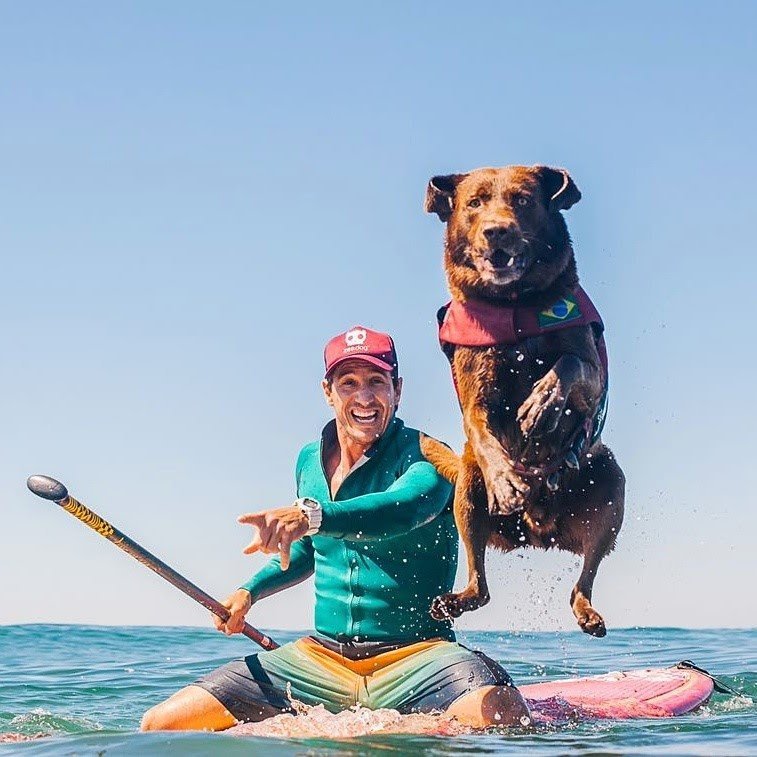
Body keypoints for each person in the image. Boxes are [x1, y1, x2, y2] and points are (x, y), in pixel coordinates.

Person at [141, 326, 529, 731]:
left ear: (397, 389)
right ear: (328, 392)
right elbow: (311, 551)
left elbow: (400, 511)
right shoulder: (308, 461)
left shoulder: (430, 458)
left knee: (504, 714)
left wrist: (310, 515)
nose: (364, 397)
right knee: (161, 724)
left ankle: (393, 725)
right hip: (321, 661)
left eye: (377, 382)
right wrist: (248, 592)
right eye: (349, 383)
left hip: (419, 658)